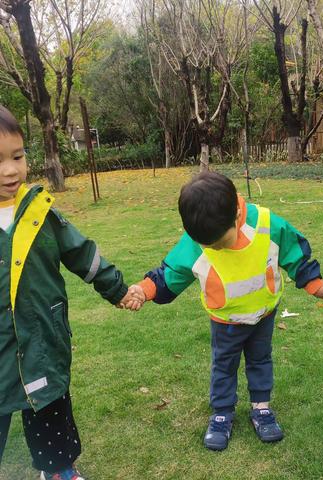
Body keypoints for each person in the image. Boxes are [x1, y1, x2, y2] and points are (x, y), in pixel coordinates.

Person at [126, 171, 323, 451]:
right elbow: (171, 272)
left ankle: (261, 408)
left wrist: (315, 284)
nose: (213, 248)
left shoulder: (266, 224)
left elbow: (293, 252)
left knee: (260, 360)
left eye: (219, 243)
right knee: (223, 367)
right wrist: (145, 289)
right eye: (207, 245)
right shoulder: (198, 241)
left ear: (237, 212)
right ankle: (222, 413)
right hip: (225, 320)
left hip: (263, 313)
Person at [0, 105, 134, 480]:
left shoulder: (40, 213)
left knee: (48, 406)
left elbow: (82, 254)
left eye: (17, 156)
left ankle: (58, 469)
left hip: (42, 335)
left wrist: (118, 290)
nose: (11, 170)